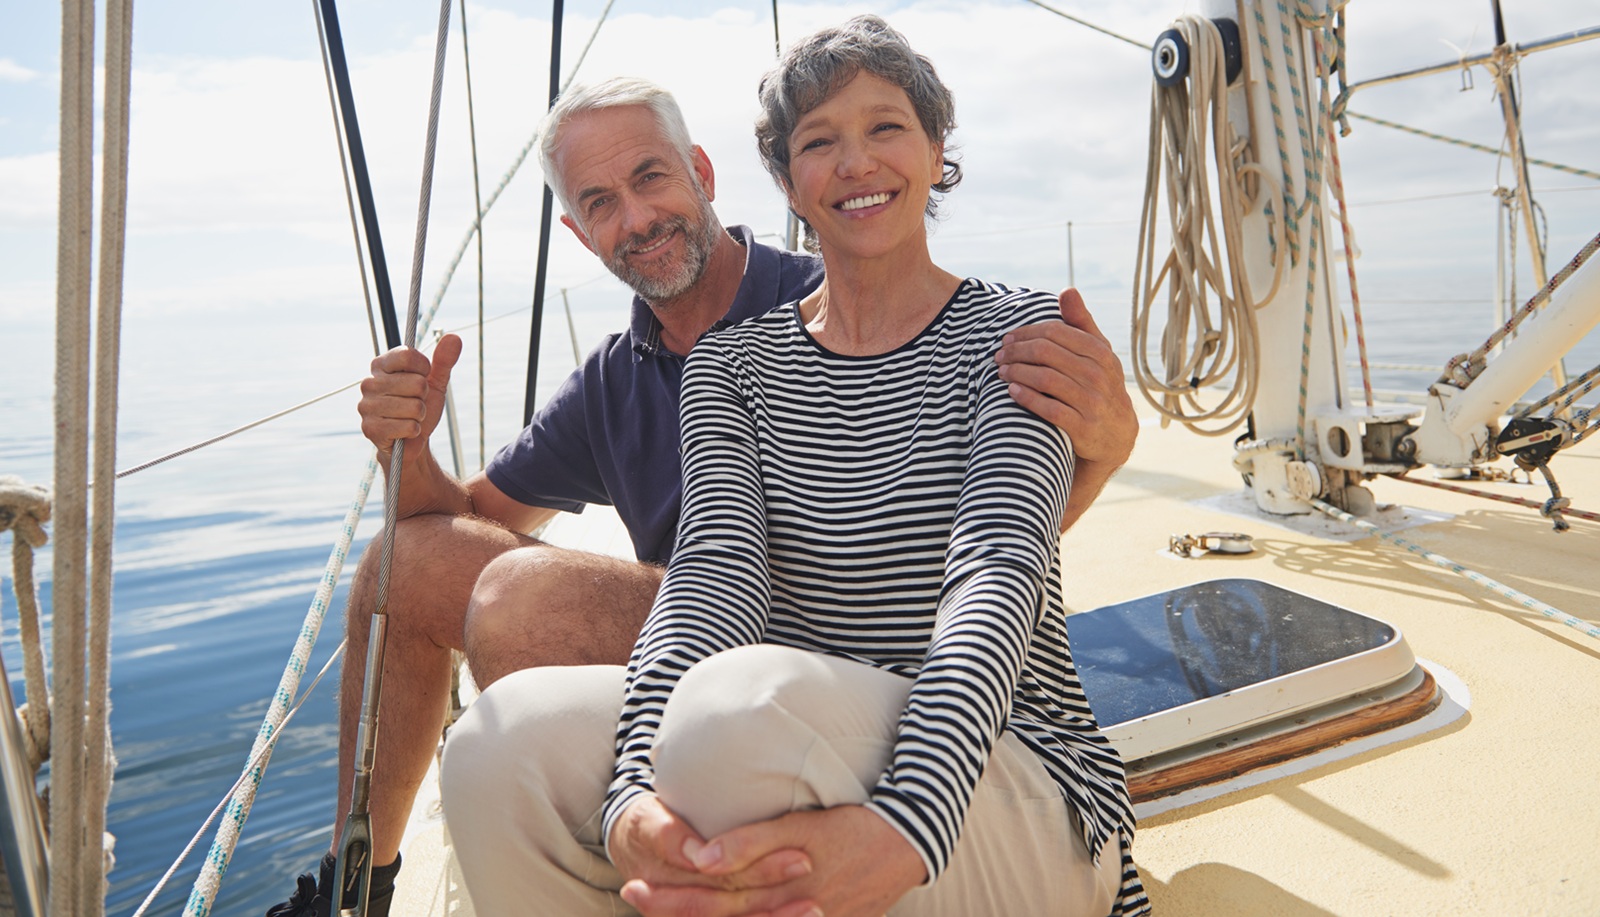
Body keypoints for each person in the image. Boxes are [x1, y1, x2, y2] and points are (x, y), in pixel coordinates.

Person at [267, 64, 1139, 916]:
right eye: (601, 201)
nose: (638, 217)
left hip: (880, 700)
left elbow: (992, 561)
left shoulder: (964, 321)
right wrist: (408, 451)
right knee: (458, 673)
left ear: (705, 175)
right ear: (579, 232)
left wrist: (1101, 445)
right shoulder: (681, 370)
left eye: (650, 176)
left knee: (586, 635)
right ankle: (356, 887)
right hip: (721, 680)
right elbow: (672, 571)